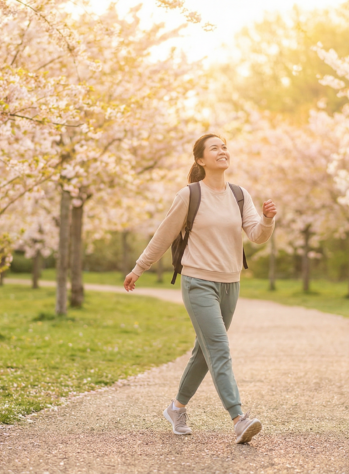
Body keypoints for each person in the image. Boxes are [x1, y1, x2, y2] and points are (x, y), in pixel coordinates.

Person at [123, 133, 278, 444]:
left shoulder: (239, 195)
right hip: (198, 283)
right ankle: (239, 418)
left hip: (231, 283)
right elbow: (163, 236)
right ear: (200, 160)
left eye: (224, 147)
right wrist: (139, 268)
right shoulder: (189, 195)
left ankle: (176, 408)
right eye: (214, 148)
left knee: (204, 353)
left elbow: (257, 236)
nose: (222, 151)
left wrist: (267, 219)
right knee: (219, 347)